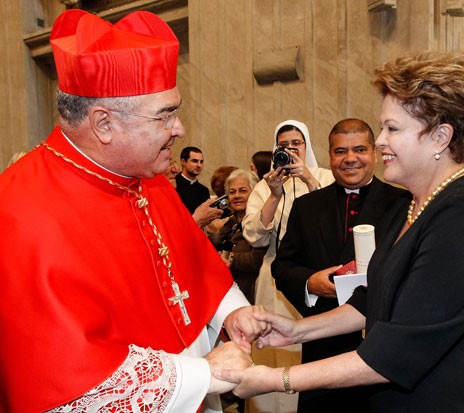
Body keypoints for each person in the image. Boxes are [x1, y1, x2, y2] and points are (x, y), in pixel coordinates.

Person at [218, 51, 464, 412]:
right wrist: (296, 331)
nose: (380, 140)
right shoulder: (414, 205)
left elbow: (397, 351)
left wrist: (274, 380)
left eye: (393, 129)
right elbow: (374, 300)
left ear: (441, 137)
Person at [0, 10, 267, 413]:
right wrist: (203, 373)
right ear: (104, 123)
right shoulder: (19, 211)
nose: (179, 129)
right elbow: (68, 383)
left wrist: (231, 312)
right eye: (165, 115)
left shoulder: (145, 174)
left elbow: (190, 264)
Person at [271, 118, 410, 412]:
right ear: (330, 155)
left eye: (359, 149)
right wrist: (311, 283)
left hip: (381, 346)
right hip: (323, 346)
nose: (350, 159)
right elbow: (282, 267)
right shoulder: (307, 206)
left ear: (374, 153)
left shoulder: (403, 202)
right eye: (340, 151)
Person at [242, 120, 334, 412]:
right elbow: (254, 237)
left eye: (297, 143)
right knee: (273, 347)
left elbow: (333, 221)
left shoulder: (325, 177)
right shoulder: (264, 186)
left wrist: (308, 179)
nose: (291, 149)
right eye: (284, 145)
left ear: (306, 147)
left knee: (308, 343)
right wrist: (273, 194)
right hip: (274, 276)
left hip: (315, 273)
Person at [211, 169, 267, 304]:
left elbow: (258, 259)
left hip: (250, 294)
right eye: (232, 192)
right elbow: (215, 244)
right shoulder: (231, 222)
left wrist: (229, 258)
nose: (237, 196)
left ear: (254, 193)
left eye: (243, 191)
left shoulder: (262, 221)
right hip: (226, 293)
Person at [176, 146, 211, 213]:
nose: (199, 165)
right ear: (183, 161)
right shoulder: (174, 185)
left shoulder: (204, 190)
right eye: (194, 161)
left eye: (201, 162)